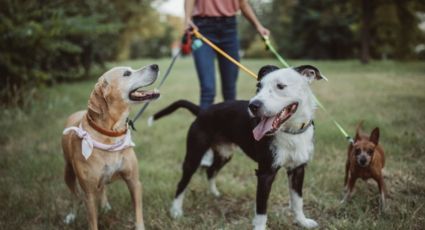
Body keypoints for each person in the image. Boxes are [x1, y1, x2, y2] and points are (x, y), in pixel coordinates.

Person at [184, 0, 270, 110]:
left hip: (229, 29)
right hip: (202, 29)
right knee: (208, 91)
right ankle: (204, 126)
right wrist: (187, 18)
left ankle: (229, 127)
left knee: (230, 90)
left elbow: (242, 3)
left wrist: (258, 26)